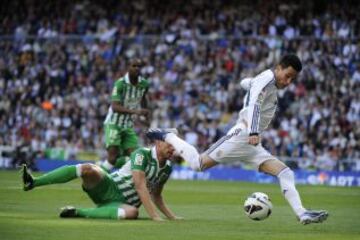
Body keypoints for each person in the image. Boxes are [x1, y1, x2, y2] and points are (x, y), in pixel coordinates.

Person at [146, 54, 329, 225]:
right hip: (243, 135)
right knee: (198, 164)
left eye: (292, 79)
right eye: (287, 75)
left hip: (252, 144)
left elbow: (245, 83)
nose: (288, 82)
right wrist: (254, 131)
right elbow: (254, 104)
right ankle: (167, 135)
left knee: (285, 173)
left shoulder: (265, 81)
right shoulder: (267, 79)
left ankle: (302, 213)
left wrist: (250, 83)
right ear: (279, 68)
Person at [21, 139, 181, 221]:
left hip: (122, 204)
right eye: (170, 145)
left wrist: (172, 216)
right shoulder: (142, 154)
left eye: (175, 147)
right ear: (159, 143)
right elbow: (140, 186)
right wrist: (154, 217)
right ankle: (33, 182)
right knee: (87, 168)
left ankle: (77, 212)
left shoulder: (167, 168)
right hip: (109, 186)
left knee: (133, 212)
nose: (173, 149)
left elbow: (157, 195)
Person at [100, 58, 150, 172]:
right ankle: (99, 175)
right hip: (113, 123)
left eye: (139, 66)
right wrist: (136, 112)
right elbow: (115, 107)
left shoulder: (144, 84)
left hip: (128, 125)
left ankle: (103, 168)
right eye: (134, 66)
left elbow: (143, 99)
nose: (137, 68)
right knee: (112, 157)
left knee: (135, 158)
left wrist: (145, 116)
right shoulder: (120, 84)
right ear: (128, 68)